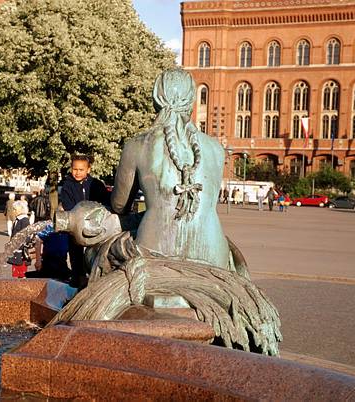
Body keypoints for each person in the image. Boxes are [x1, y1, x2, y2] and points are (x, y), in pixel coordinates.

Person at [111, 69, 231, 270]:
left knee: (106, 254)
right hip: (213, 254)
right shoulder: (216, 148)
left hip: (153, 250)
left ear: (156, 98)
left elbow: (119, 205)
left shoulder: (137, 145)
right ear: (191, 99)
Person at [59, 154, 110, 288]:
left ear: (88, 169)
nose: (77, 172)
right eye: (75, 169)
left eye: (81, 170)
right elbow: (67, 204)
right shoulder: (67, 186)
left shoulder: (96, 184)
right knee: (75, 253)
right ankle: (77, 278)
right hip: (75, 227)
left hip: (94, 224)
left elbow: (105, 202)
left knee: (96, 251)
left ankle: (94, 276)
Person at [10, 200, 31, 278]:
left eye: (15, 209)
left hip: (20, 252)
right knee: (15, 274)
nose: (13, 211)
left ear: (20, 210)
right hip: (15, 251)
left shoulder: (24, 220)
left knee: (21, 274)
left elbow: (26, 237)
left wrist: (18, 246)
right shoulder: (17, 219)